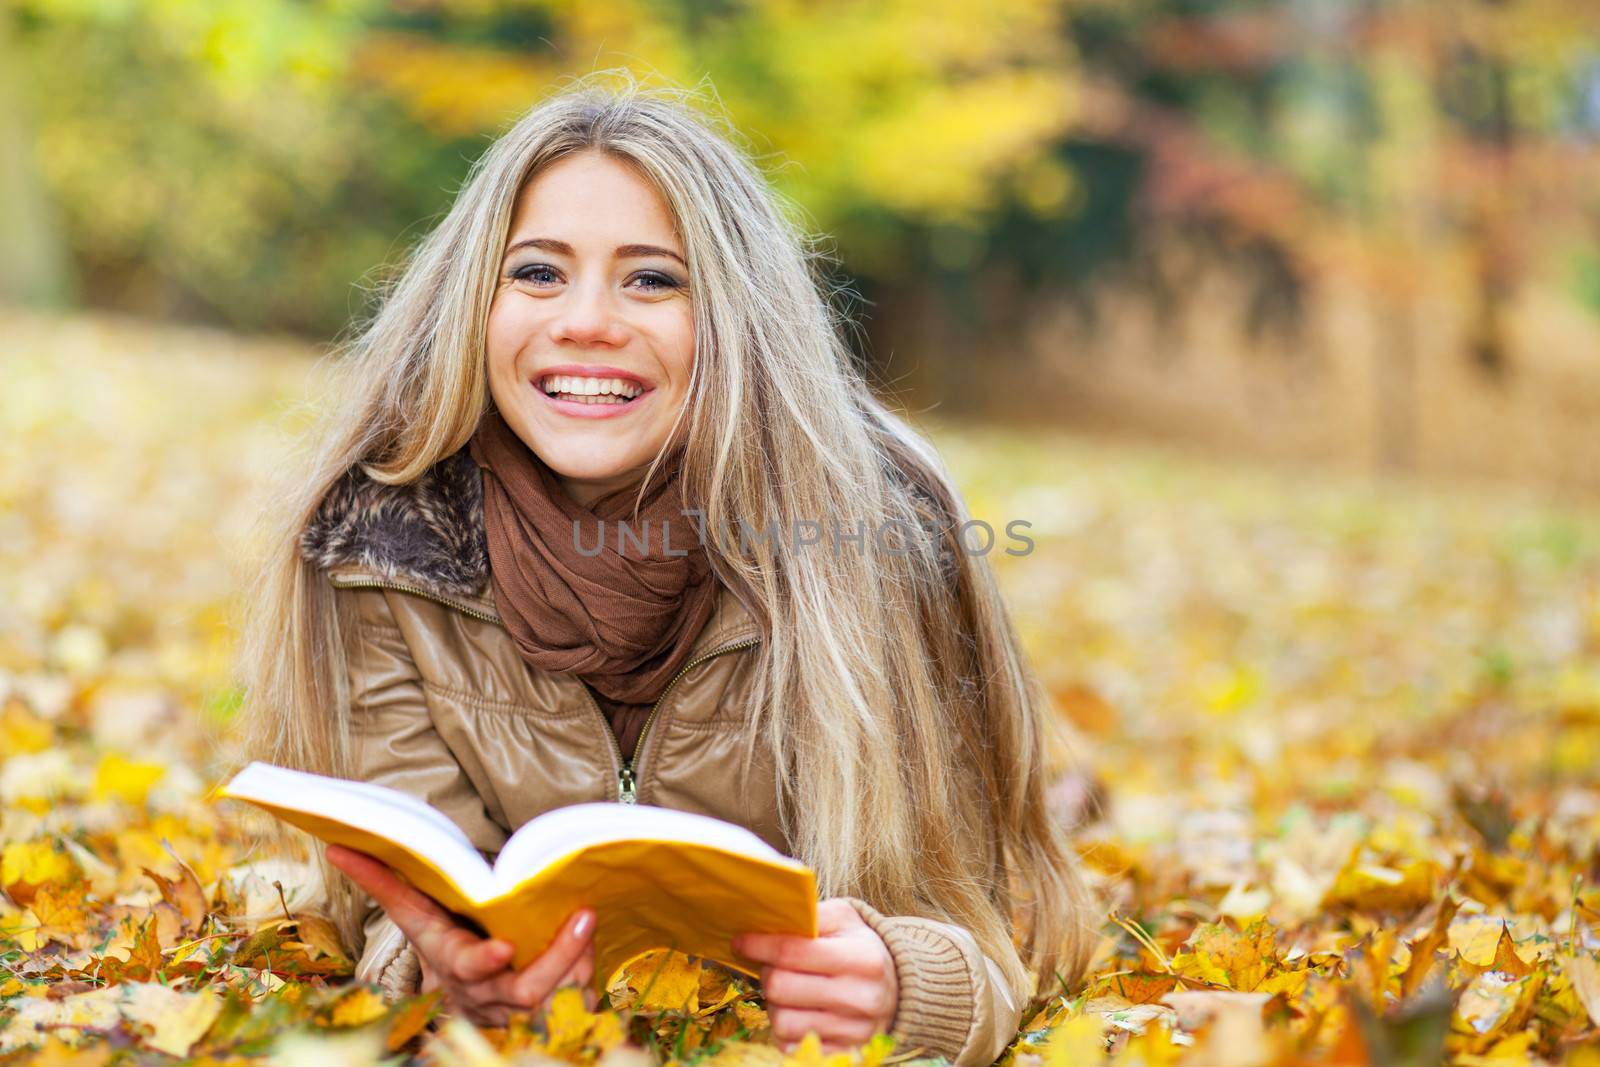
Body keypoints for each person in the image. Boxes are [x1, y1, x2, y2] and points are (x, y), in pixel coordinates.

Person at [235, 71, 1096, 1066]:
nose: (587, 321)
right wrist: (436, 973)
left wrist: (901, 980)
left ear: (736, 315)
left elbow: (985, 941)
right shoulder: (384, 538)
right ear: (477, 298)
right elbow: (394, 909)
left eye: (652, 279)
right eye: (539, 274)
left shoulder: (878, 537)